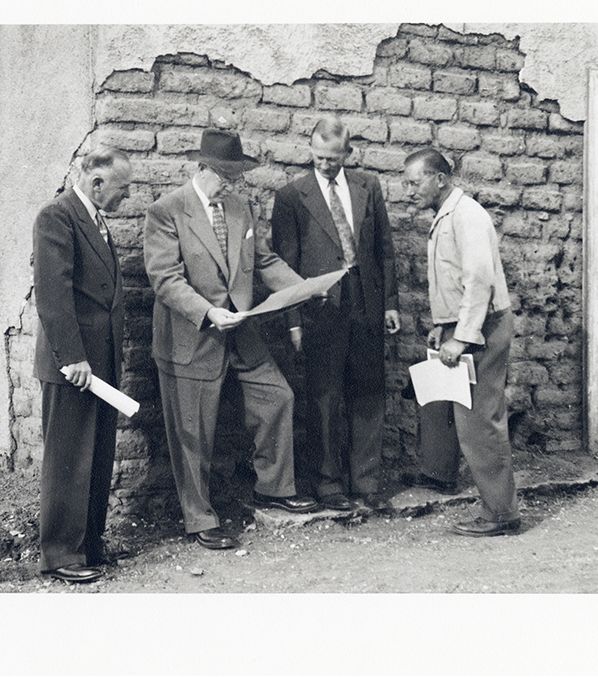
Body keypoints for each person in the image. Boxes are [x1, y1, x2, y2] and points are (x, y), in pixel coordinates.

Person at [143, 129, 319, 550]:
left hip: (242, 329)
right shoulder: (166, 211)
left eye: (235, 175)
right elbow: (164, 279)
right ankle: (199, 518)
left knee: (278, 397)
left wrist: (304, 288)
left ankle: (273, 488)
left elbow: (264, 261)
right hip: (193, 334)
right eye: (223, 174)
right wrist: (206, 312)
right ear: (200, 169)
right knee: (193, 431)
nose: (230, 183)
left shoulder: (240, 208)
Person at [271, 117, 400, 511]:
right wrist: (293, 320)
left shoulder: (368, 187)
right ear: (310, 151)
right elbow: (284, 265)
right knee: (324, 397)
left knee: (368, 392)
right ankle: (328, 486)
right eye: (318, 157)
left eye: (332, 158)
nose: (325, 165)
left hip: (366, 303)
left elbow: (384, 250)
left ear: (348, 152)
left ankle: (366, 482)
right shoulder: (292, 196)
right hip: (320, 310)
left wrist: (391, 303)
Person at [401, 148, 521, 536]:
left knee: (480, 424)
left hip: (484, 326)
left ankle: (501, 514)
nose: (408, 190)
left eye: (414, 181)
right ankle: (444, 477)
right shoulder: (447, 214)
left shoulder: (468, 215)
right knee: (454, 413)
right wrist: (444, 327)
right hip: (467, 323)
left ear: (439, 178)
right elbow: (453, 279)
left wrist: (463, 338)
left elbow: (479, 282)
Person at [32, 146, 133, 581]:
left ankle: (88, 546)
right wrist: (72, 357)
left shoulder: (95, 220)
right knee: (69, 460)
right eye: (122, 189)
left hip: (100, 362)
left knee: (97, 458)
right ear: (96, 183)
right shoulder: (57, 216)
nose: (126, 198)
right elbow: (53, 293)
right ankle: (60, 555)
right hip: (73, 366)